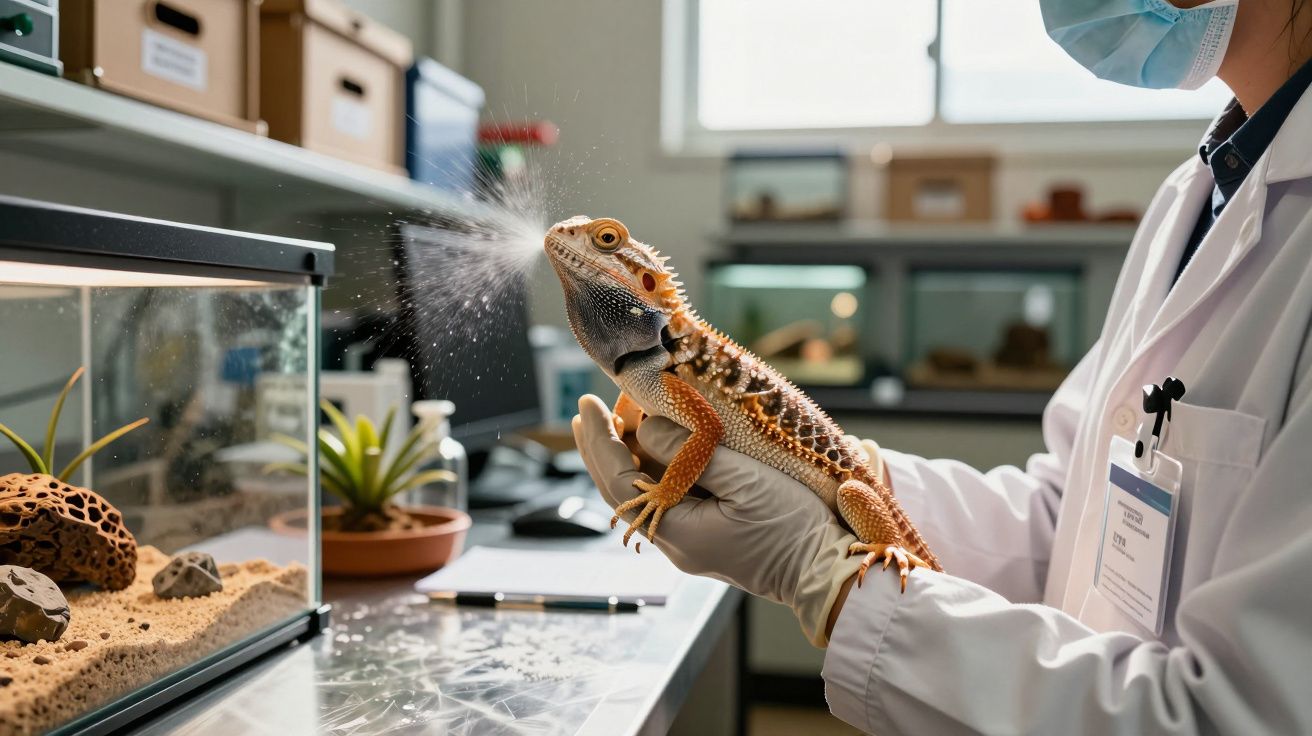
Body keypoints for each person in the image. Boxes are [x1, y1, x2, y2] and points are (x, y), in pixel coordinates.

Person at [572, 0, 1312, 733]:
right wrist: (849, 477)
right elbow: (1072, 517)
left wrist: (824, 573)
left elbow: (1237, 716)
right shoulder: (1198, 191)